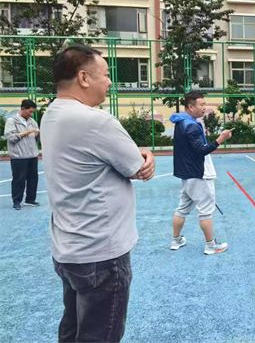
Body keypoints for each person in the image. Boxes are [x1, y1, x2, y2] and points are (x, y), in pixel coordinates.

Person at [40, 44, 155, 343]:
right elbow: (137, 167)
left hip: (70, 246)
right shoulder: (95, 121)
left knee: (72, 329)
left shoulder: (51, 113)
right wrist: (146, 154)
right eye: (105, 74)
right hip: (100, 252)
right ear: (83, 78)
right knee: (99, 335)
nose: (109, 81)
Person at [170, 91, 233, 255]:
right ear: (191, 107)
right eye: (202, 104)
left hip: (186, 174)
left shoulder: (181, 122)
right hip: (199, 174)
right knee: (205, 211)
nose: (204, 107)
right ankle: (210, 245)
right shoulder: (191, 125)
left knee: (182, 209)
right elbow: (201, 150)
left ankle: (176, 240)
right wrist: (220, 139)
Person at [4, 99, 40, 210]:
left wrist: (37, 134)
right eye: (30, 111)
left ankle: (30, 199)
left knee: (33, 178)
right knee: (19, 179)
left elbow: (36, 138)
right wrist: (27, 132)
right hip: (19, 157)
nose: (31, 114)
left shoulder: (32, 121)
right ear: (23, 109)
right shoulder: (11, 121)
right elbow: (10, 138)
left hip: (32, 155)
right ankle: (16, 201)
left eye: (32, 112)